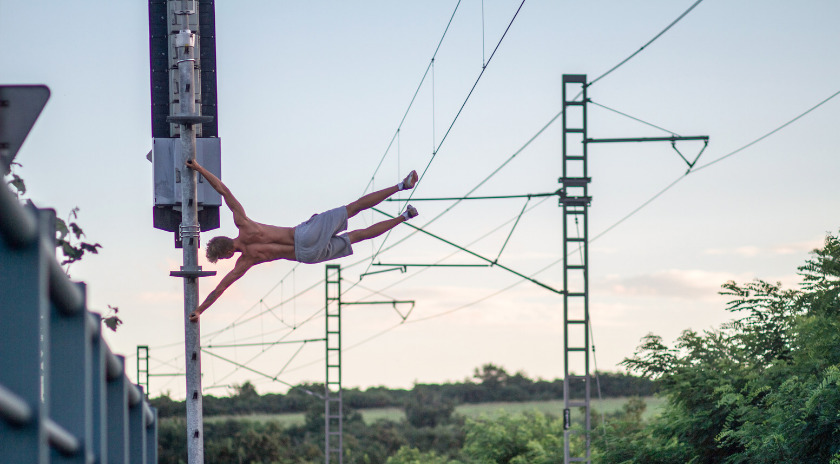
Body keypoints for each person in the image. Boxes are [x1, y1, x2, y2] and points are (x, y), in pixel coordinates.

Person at [185, 159, 419, 322]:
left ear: (227, 255)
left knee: (358, 236)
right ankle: (401, 186)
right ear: (226, 238)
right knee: (353, 208)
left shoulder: (244, 262)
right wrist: (198, 167)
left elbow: (221, 288)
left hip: (307, 256)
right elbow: (223, 191)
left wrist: (200, 310)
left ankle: (404, 217)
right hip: (304, 236)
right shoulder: (244, 225)